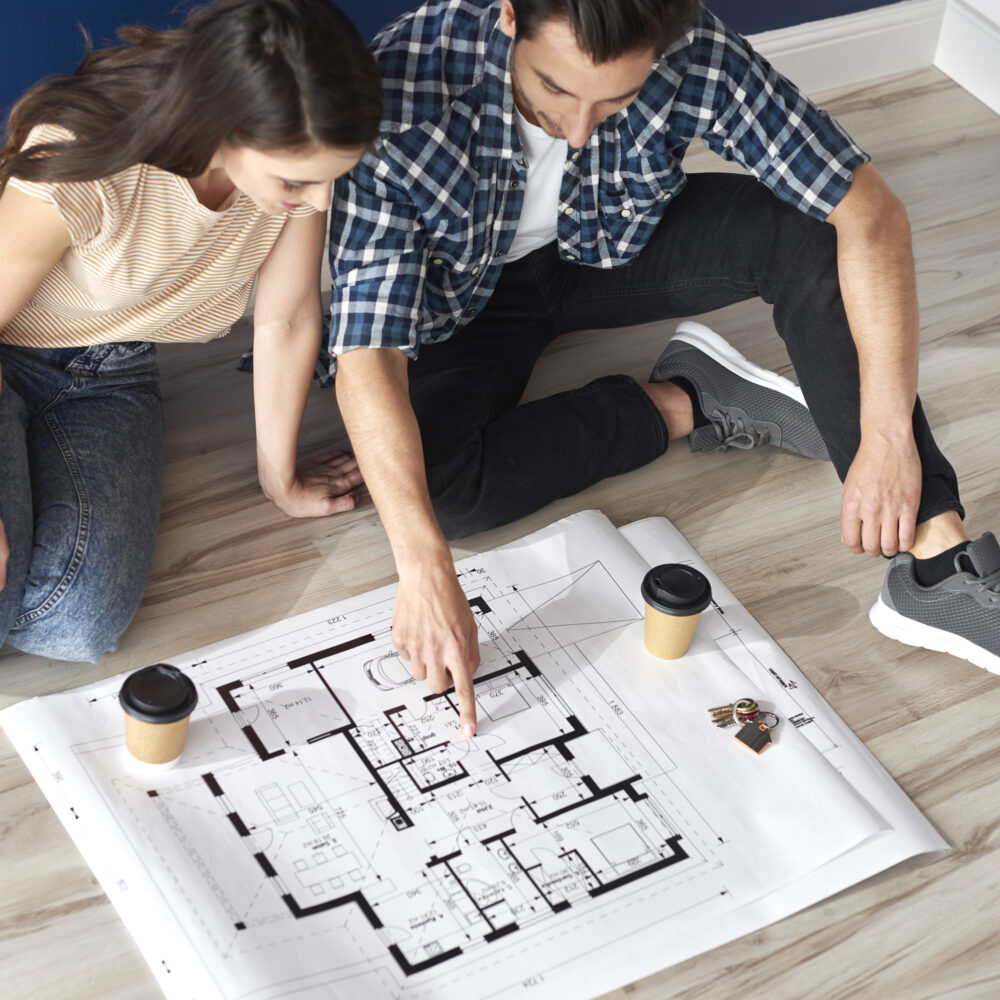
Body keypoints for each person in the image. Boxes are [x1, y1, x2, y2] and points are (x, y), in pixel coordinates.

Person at [326, 0, 999, 736]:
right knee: (442, 498)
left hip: (607, 253)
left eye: (617, 100)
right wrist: (423, 572)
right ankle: (690, 399)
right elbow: (369, 349)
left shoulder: (694, 47)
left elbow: (871, 212)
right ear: (509, 17)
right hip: (464, 304)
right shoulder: (407, 80)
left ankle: (942, 565)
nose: (579, 129)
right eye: (554, 91)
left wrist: (887, 435)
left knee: (811, 229)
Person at [0, 0, 381, 660]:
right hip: (7, 347)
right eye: (300, 182)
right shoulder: (83, 153)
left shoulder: (292, 179)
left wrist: (278, 478)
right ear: (224, 127)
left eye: (330, 181)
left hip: (113, 368)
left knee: (81, 626)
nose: (321, 202)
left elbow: (286, 315)